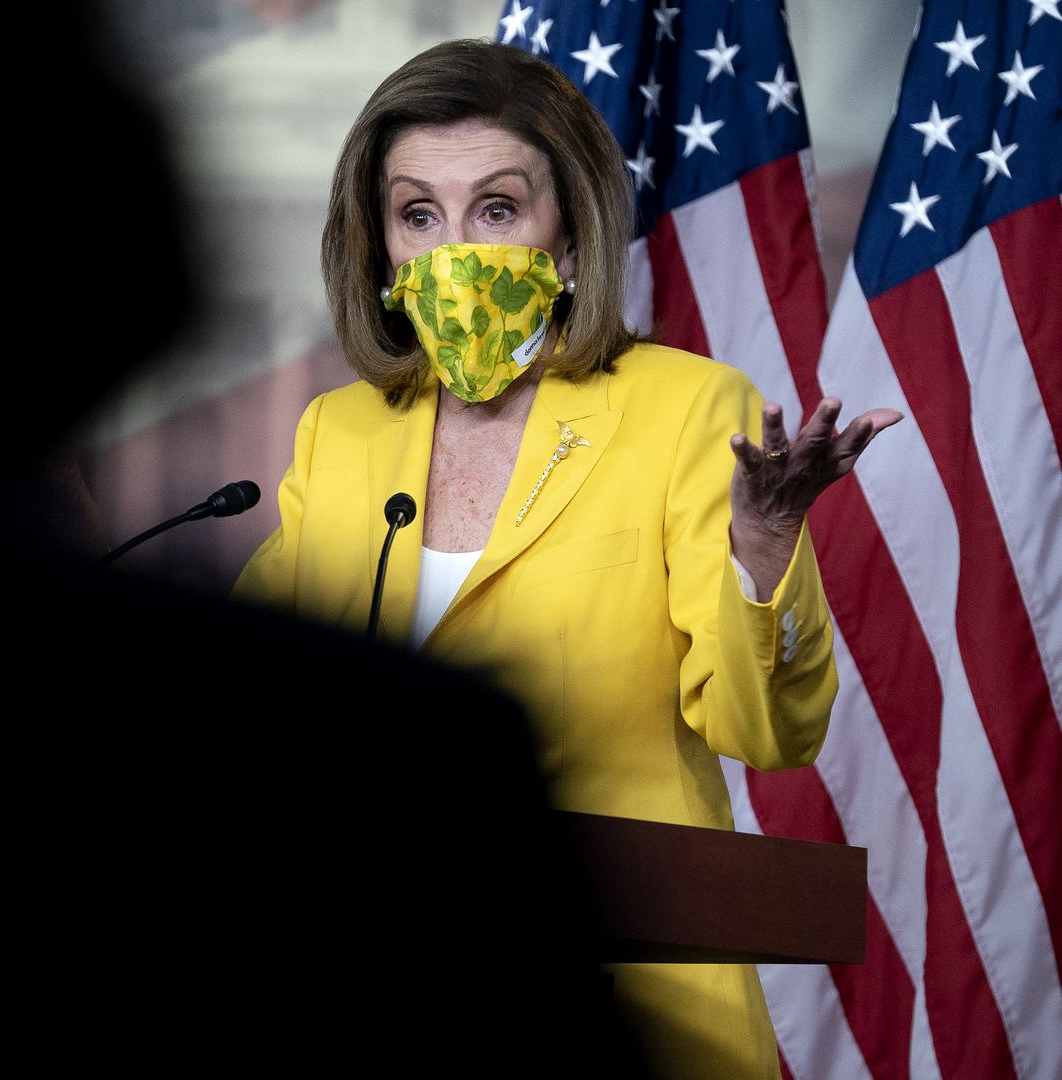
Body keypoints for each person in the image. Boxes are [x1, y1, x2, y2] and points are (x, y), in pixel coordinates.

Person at [231, 39, 901, 1080]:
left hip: (631, 1014)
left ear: (572, 239)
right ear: (381, 253)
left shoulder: (688, 410)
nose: (455, 249)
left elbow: (767, 734)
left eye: (496, 209)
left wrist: (765, 545)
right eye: (419, 215)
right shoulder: (342, 432)